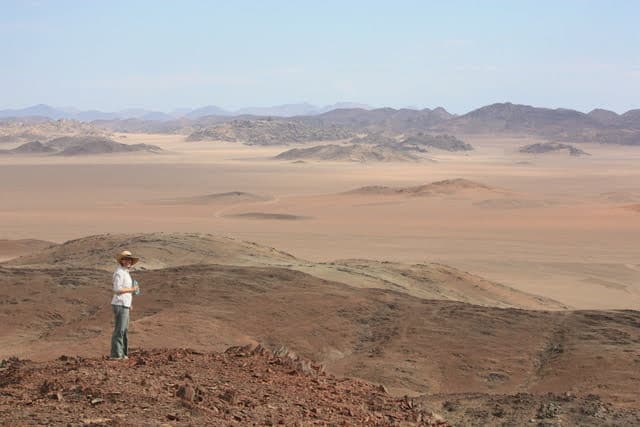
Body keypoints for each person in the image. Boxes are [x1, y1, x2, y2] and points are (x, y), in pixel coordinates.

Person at [110, 250, 140, 360]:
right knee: (120, 329)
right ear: (121, 261)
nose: (128, 261)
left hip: (125, 304)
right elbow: (117, 289)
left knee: (124, 329)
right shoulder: (119, 273)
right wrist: (132, 289)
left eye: (130, 260)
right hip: (120, 303)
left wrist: (129, 303)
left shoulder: (125, 273)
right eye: (126, 259)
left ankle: (122, 354)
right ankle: (116, 355)